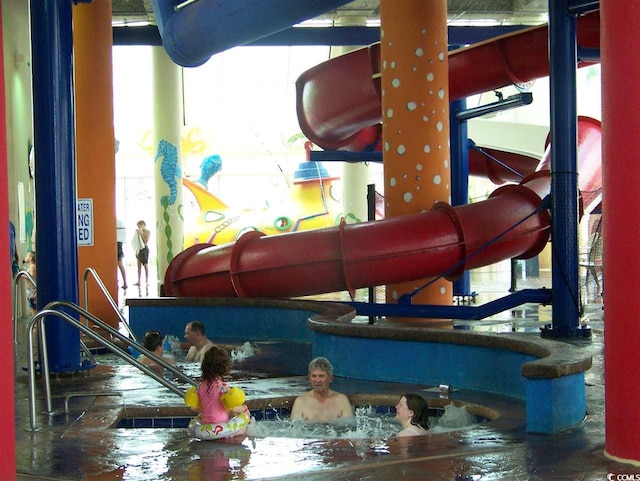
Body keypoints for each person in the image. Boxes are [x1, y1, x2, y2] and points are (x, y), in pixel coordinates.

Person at [290, 357, 354, 422]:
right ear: (309, 379)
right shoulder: (301, 402)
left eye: (321, 376)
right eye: (314, 376)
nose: (317, 380)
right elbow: (294, 430)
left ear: (330, 378)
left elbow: (350, 429)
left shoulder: (341, 400)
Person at [131, 219, 150, 286]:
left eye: (140, 225)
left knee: (145, 264)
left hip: (144, 249)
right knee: (138, 266)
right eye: (138, 226)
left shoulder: (147, 232)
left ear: (144, 225)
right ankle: (139, 280)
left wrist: (141, 233)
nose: (139, 227)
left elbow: (145, 241)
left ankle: (147, 280)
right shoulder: (137, 232)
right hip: (138, 249)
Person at [24, 251, 37, 315]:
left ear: (31, 258)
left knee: (33, 307)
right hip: (32, 289)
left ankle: (36, 323)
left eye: (27, 256)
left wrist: (23, 275)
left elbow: (31, 276)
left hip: (32, 289)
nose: (25, 257)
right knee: (32, 306)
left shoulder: (32, 266)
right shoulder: (33, 266)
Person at [116, 219, 128, 290]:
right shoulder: (121, 223)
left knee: (119, 264)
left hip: (117, 243)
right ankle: (124, 282)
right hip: (120, 243)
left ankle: (124, 282)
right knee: (120, 264)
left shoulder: (116, 223)